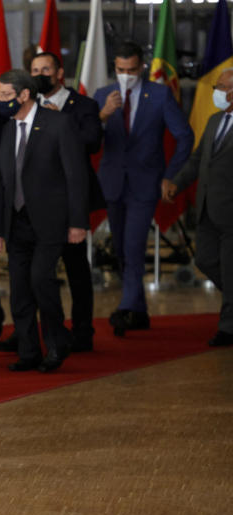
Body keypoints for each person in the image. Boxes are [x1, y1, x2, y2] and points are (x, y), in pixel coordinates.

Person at [0, 70, 89, 373]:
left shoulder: (59, 124)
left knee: (40, 280)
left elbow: (76, 177)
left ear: (24, 95)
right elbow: (1, 183)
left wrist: (77, 223)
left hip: (51, 221)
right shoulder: (7, 129)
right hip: (16, 222)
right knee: (19, 289)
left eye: (5, 96)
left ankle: (57, 345)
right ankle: (28, 350)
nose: (0, 101)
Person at [94, 41, 193, 335]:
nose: (127, 74)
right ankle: (138, 310)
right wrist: (103, 116)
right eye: (121, 70)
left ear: (142, 68)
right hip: (113, 183)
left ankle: (125, 307)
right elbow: (88, 140)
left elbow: (184, 136)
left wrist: (171, 175)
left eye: (132, 69)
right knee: (122, 249)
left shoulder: (160, 95)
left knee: (134, 245)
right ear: (115, 67)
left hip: (145, 183)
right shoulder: (102, 95)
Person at [30, 51, 104, 352]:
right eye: (34, 69)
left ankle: (83, 330)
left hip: (72, 198)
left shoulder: (83, 105)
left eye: (46, 68)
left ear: (59, 72)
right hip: (37, 200)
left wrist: (57, 122)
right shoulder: (26, 104)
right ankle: (45, 330)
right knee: (39, 272)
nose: (40, 73)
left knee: (76, 269)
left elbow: (92, 141)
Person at [163, 67, 233, 347]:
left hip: (231, 212)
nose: (215, 93)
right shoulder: (216, 120)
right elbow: (197, 159)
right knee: (205, 260)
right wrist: (176, 183)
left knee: (230, 269)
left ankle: (228, 328)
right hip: (206, 208)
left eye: (219, 88)